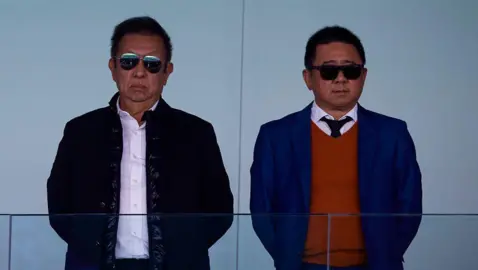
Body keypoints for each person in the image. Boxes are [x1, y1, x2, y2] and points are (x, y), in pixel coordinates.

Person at [47, 16, 234, 270]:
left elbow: (219, 210)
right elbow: (59, 205)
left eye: (152, 64)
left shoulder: (197, 133)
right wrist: (89, 248)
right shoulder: (81, 131)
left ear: (167, 72)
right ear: (113, 67)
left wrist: (184, 250)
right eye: (128, 61)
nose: (139, 72)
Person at [250, 26, 422, 270]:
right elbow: (262, 211)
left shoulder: (392, 133)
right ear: (308, 78)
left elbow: (409, 207)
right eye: (329, 70)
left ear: (363, 75)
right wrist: (286, 256)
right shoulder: (275, 136)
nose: (341, 79)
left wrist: (387, 255)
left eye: (351, 70)